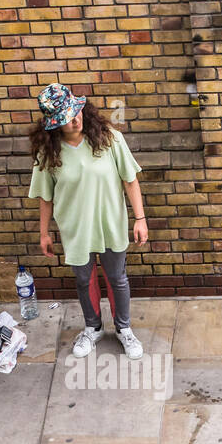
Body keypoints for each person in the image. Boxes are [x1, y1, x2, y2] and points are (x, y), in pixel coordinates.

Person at [28, 82, 147, 361]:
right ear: (54, 125)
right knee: (84, 279)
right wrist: (44, 233)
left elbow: (130, 180)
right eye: (66, 119)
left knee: (117, 278)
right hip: (75, 228)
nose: (75, 120)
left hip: (110, 222)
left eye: (76, 112)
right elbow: (45, 197)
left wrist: (140, 218)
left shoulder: (110, 139)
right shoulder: (48, 153)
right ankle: (92, 327)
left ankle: (124, 329)